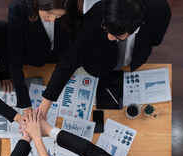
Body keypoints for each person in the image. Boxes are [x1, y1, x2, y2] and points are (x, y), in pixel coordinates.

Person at [39, 0, 171, 116]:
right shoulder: (98, 11)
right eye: (106, 28)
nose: (110, 37)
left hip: (133, 60)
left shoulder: (160, 9)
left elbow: (156, 40)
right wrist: (44, 107)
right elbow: (70, 59)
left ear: (140, 24)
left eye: (117, 35)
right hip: (99, 65)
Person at [7, 0, 81, 114]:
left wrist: (65, 66)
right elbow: (14, 59)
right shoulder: (18, 9)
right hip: (31, 58)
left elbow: (67, 37)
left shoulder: (68, 6)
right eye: (49, 13)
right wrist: (25, 106)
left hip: (56, 58)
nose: (52, 19)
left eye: (60, 15)